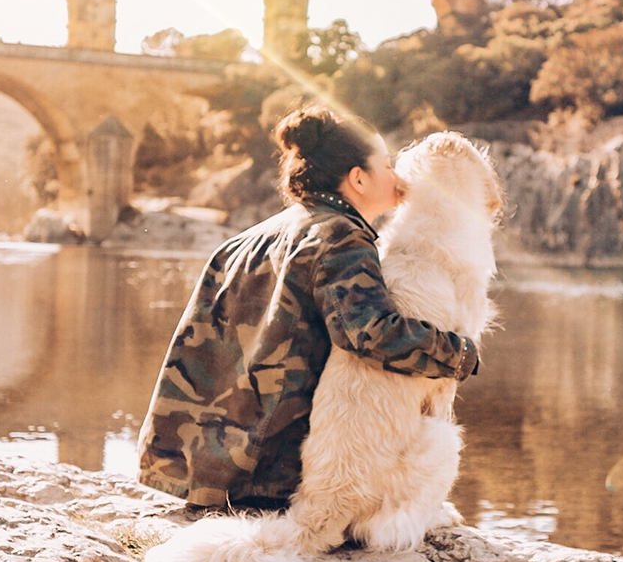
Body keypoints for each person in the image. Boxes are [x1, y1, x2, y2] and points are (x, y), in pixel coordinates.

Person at [136, 105, 479, 512]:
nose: (398, 177)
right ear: (358, 178)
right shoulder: (342, 237)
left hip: (191, 472)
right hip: (265, 479)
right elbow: (370, 332)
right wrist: (460, 353)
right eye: (387, 166)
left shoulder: (249, 238)